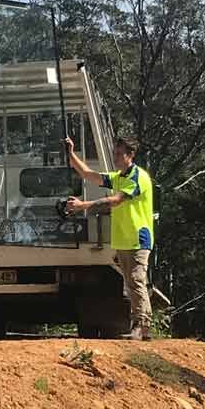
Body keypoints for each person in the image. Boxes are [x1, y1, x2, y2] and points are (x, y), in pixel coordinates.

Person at [62, 136, 154, 340]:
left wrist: (84, 205)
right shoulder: (118, 177)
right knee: (130, 284)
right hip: (122, 240)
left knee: (137, 281)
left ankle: (143, 327)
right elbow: (88, 174)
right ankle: (139, 327)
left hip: (138, 240)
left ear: (130, 155)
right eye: (114, 153)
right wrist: (71, 154)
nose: (115, 158)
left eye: (119, 154)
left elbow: (116, 200)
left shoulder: (137, 177)